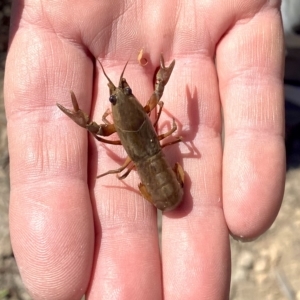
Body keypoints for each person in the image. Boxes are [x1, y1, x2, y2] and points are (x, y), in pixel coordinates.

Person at [4, 1, 285, 299]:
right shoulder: (146, 108)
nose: (119, 92)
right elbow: (154, 102)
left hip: (150, 166)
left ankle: (160, 193)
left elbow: (101, 131)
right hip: (155, 161)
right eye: (118, 95)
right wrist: (154, 94)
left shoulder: (115, 126)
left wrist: (100, 125)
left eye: (122, 92)